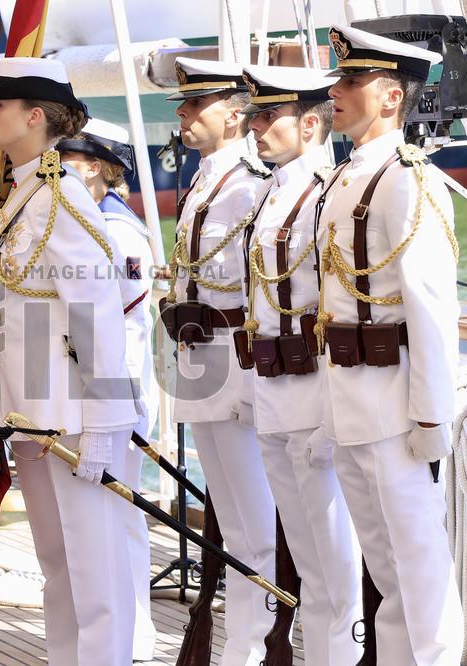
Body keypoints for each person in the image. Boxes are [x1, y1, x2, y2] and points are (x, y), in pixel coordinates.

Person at [0, 56, 140, 666]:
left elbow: (97, 315)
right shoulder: (24, 192)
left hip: (73, 418)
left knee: (95, 570)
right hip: (34, 413)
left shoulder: (61, 195)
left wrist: (104, 428)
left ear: (35, 116)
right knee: (57, 565)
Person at [315, 24, 462, 662]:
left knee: (419, 566)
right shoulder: (346, 177)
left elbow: (431, 305)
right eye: (340, 77)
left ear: (392, 99)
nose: (336, 89)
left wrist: (431, 413)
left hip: (394, 401)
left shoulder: (409, 179)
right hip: (349, 399)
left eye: (352, 80)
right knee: (388, 571)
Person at [240, 65, 361, 664]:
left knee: (337, 562)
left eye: (267, 116)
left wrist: (334, 418)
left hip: (315, 394)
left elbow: (339, 306)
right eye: (254, 114)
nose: (253, 126)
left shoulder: (329, 194)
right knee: (307, 562)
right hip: (273, 389)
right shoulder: (272, 192)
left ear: (311, 124)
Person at [163, 57, 276, 664]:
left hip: (237, 360)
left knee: (255, 522)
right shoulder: (205, 181)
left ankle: (255, 648)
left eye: (195, 103)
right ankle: (242, 644)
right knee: (227, 519)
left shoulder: (254, 184)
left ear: (235, 113)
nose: (182, 112)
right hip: (200, 357)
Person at [56, 118, 158, 662]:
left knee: (117, 516)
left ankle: (133, 635)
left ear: (92, 165)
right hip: (102, 388)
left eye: (64, 155)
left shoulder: (115, 231)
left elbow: (117, 325)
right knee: (115, 518)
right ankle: (131, 632)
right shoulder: (92, 221)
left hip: (118, 390)